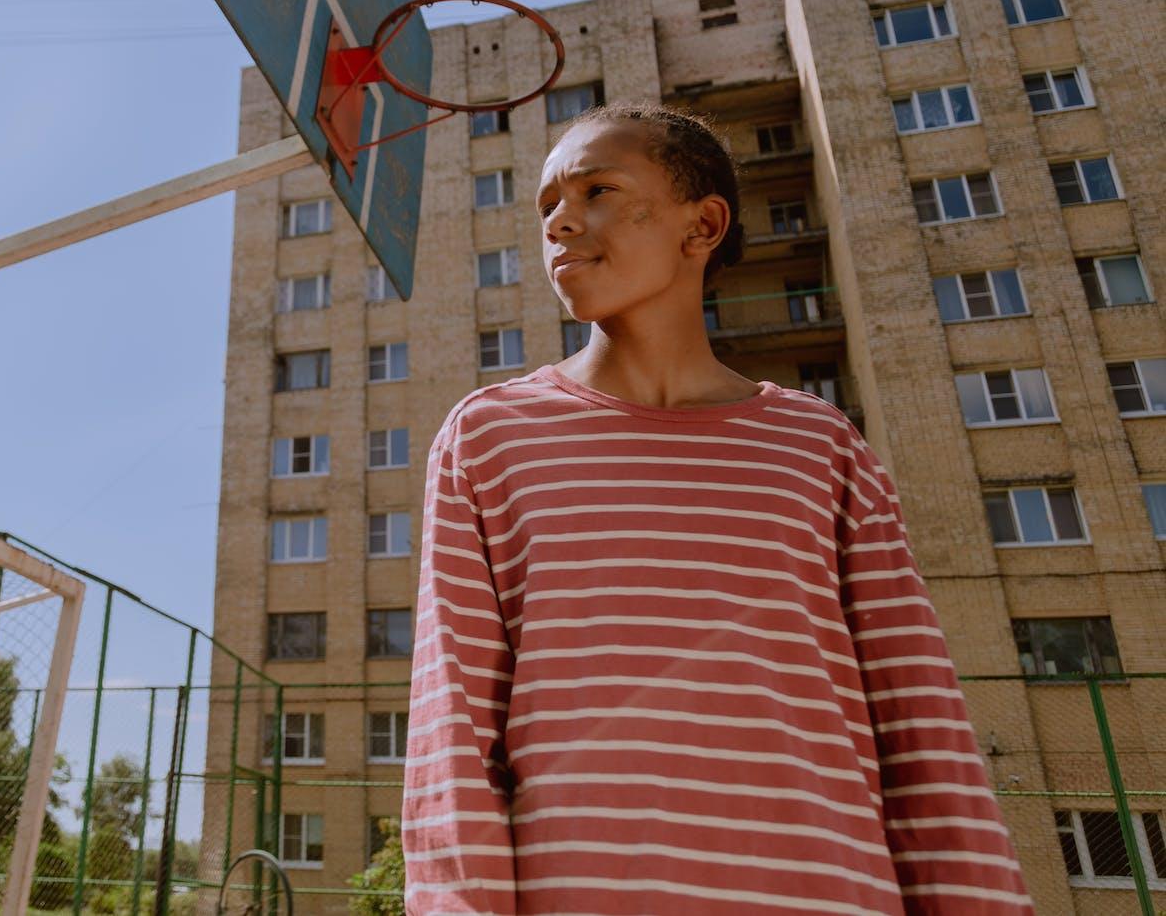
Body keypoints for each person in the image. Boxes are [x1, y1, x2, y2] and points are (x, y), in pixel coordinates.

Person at [403, 102, 1031, 913]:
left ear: (700, 225)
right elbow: (452, 736)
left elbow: (920, 724)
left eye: (596, 189)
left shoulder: (822, 446)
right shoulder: (489, 437)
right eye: (547, 203)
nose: (559, 221)